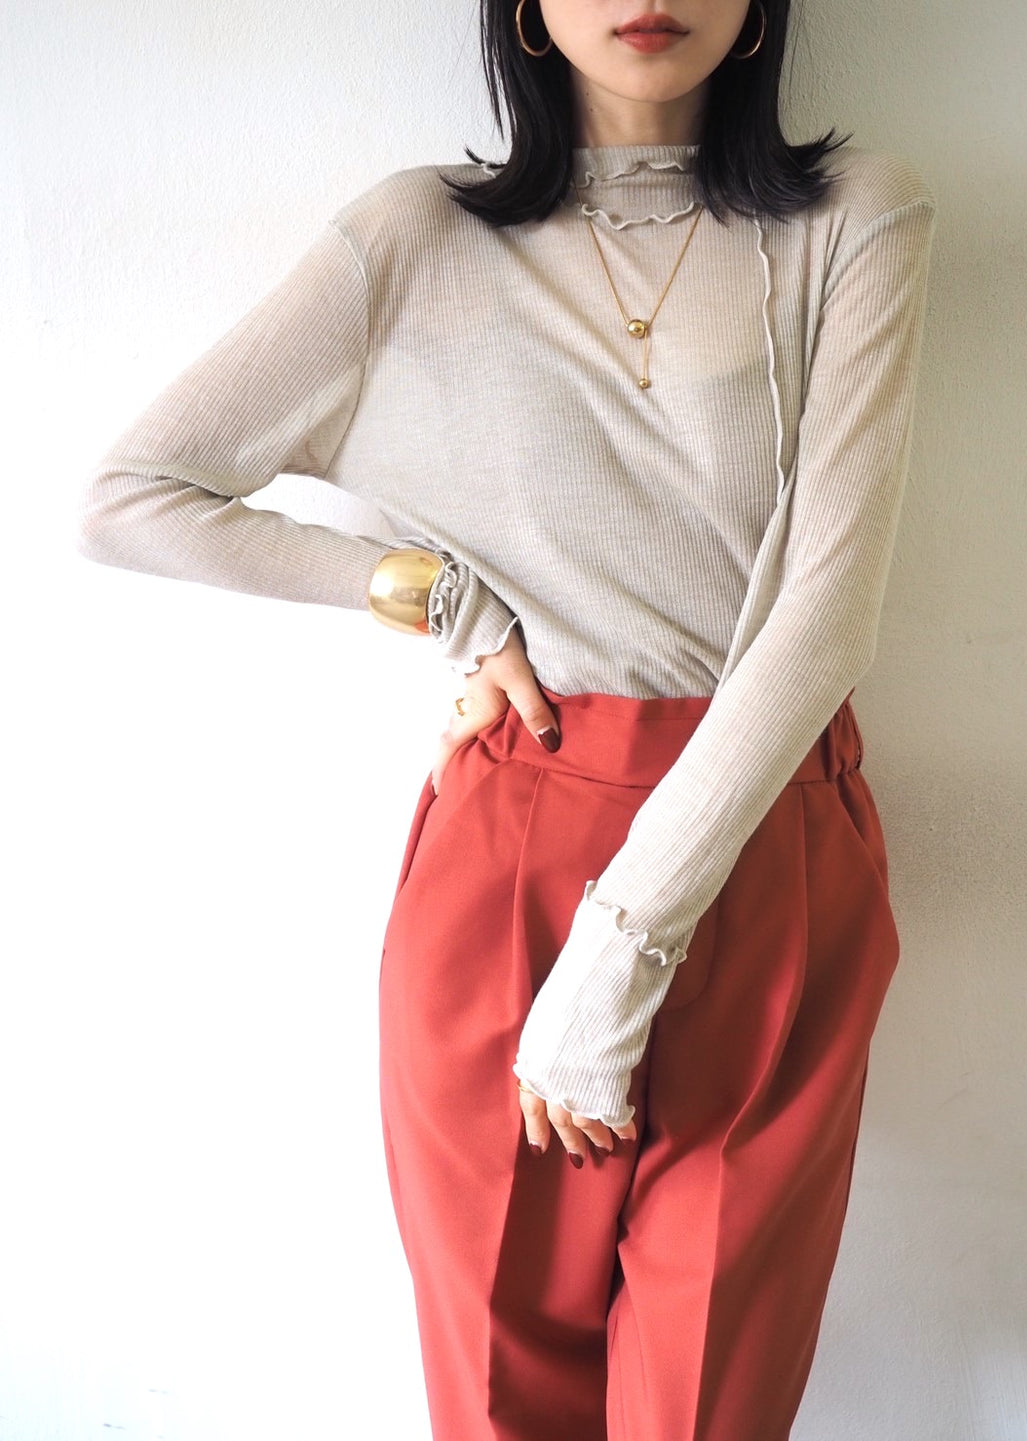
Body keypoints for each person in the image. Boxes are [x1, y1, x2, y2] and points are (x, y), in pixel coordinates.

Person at [78, 1, 937, 1436]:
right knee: (499, 1385)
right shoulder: (416, 234)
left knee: (711, 1396)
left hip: (765, 833)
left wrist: (620, 953)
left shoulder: (855, 217)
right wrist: (440, 602)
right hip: (516, 840)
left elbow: (828, 615)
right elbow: (131, 497)